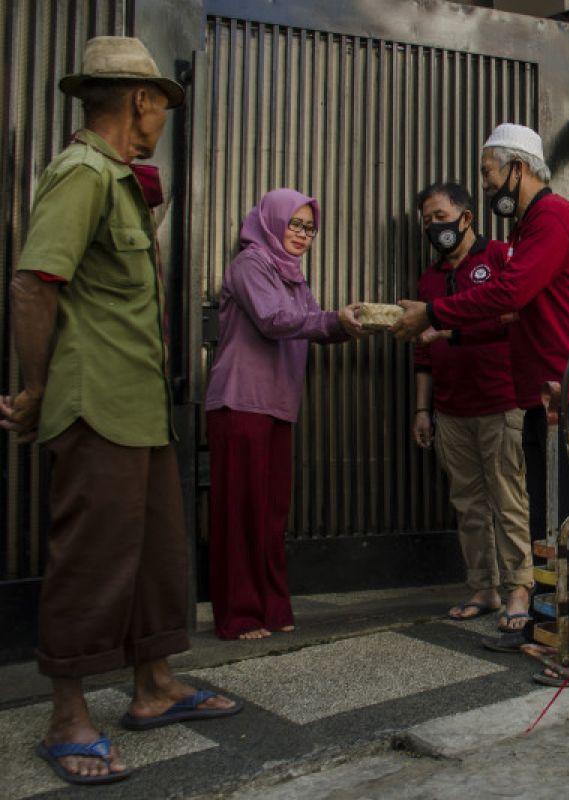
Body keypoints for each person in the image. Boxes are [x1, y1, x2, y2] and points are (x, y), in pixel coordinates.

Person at [0, 36, 241, 786]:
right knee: (93, 562)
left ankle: (154, 686)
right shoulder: (81, 173)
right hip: (95, 400)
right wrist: (38, 389)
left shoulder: (122, 179)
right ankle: (67, 716)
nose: (164, 116)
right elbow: (35, 283)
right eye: (162, 103)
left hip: (136, 404)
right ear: (140, 101)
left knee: (156, 562)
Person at [391, 124, 569, 656]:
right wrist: (450, 328)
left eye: (488, 172)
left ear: (518, 168)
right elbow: (515, 313)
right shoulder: (526, 229)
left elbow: (510, 291)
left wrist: (433, 311)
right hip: (546, 396)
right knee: (549, 516)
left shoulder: (554, 217)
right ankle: (555, 627)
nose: (486, 182)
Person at [204, 188, 365, 640]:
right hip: (240, 401)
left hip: (277, 405)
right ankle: (238, 615)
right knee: (240, 513)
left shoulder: (294, 276)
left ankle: (271, 608)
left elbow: (314, 325)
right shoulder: (251, 264)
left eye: (309, 228)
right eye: (294, 224)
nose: (302, 234)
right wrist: (333, 319)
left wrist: (356, 324)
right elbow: (275, 320)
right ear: (271, 221)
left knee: (271, 513)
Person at [412, 181, 533, 632]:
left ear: (466, 217)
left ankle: (519, 587)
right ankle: (484, 587)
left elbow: (514, 319)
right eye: (427, 221)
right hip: (450, 410)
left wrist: (451, 331)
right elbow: (422, 353)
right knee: (468, 502)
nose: (434, 227)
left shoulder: (499, 257)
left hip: (500, 401)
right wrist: (423, 411)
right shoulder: (428, 278)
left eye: (441, 217)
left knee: (508, 498)